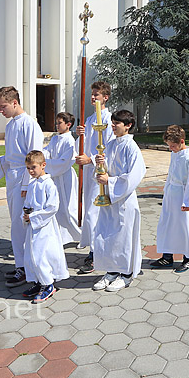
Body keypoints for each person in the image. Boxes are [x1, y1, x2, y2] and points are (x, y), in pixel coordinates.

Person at [0, 86, 43, 288]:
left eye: (3, 106)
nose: (0, 111)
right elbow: (12, 157)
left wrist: (27, 184)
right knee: (16, 225)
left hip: (25, 180)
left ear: (14, 102)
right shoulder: (10, 126)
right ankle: (21, 265)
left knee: (23, 224)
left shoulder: (29, 124)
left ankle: (29, 268)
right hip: (13, 178)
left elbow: (34, 156)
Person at [92, 110, 146, 292]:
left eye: (117, 123)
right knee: (108, 234)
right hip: (109, 197)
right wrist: (100, 164)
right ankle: (112, 270)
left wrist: (111, 181)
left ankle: (126, 274)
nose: (113, 126)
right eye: (113, 123)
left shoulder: (132, 148)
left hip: (124, 199)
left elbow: (135, 175)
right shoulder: (110, 144)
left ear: (128, 125)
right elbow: (107, 169)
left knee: (123, 236)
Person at [74, 81, 114, 274]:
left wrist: (91, 159)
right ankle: (93, 249)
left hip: (100, 171)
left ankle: (97, 253)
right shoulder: (90, 119)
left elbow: (108, 146)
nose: (93, 97)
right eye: (92, 94)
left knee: (94, 213)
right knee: (90, 213)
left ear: (105, 97)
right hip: (89, 173)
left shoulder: (108, 119)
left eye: (96, 95)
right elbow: (85, 144)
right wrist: (79, 135)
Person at [20, 150, 69, 303]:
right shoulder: (33, 183)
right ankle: (38, 281)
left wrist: (34, 216)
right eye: (28, 168)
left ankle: (48, 284)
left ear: (43, 165)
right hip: (32, 226)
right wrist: (26, 215)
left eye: (33, 167)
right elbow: (27, 204)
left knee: (41, 255)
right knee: (30, 254)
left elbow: (53, 207)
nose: (30, 171)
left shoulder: (49, 184)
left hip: (45, 226)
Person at [151, 126, 189, 273]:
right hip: (171, 195)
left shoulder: (188, 159)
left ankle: (188, 258)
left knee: (184, 227)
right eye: (169, 146)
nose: (171, 149)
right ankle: (167, 256)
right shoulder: (176, 154)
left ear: (181, 141)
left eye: (173, 146)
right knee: (167, 224)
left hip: (182, 197)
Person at [43, 112, 81, 245]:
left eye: (59, 123)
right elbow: (47, 151)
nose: (56, 125)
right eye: (57, 122)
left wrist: (46, 164)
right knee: (56, 207)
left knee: (68, 208)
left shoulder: (70, 141)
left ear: (68, 125)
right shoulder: (55, 139)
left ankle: (80, 236)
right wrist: (39, 156)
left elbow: (65, 161)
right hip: (55, 178)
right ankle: (60, 237)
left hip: (65, 177)